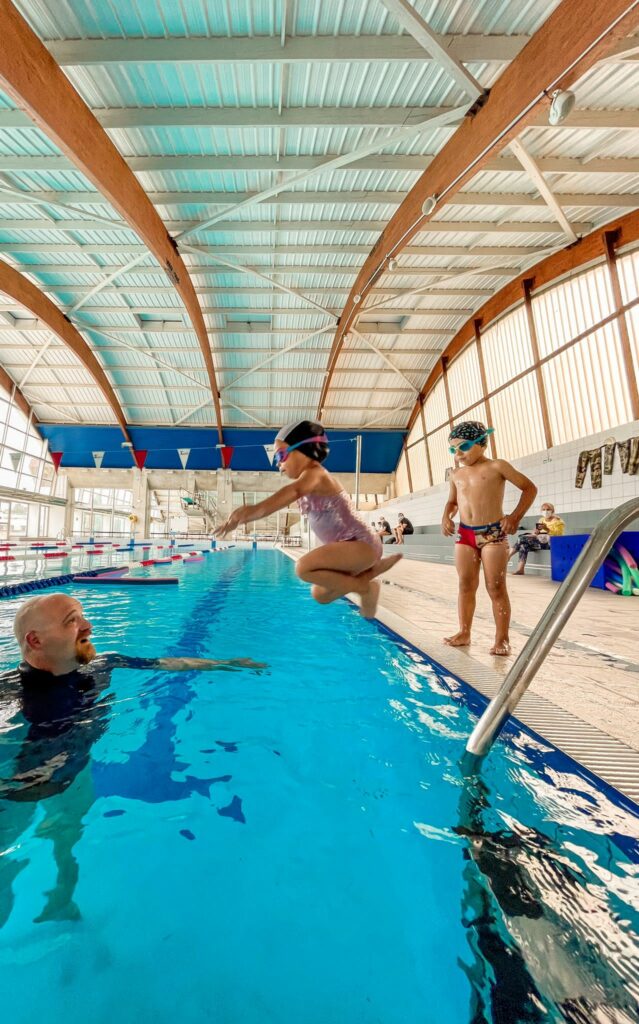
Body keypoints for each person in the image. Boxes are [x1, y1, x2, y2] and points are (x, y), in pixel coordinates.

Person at [0, 593, 265, 925]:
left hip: (77, 771)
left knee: (68, 836)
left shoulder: (104, 663)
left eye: (83, 615)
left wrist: (228, 663)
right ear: (35, 640)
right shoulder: (7, 693)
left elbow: (162, 664)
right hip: (15, 794)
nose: (88, 626)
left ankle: (63, 898)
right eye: (72, 620)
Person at [215, 420, 402, 618]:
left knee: (303, 567)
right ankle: (368, 581)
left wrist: (248, 512)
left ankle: (363, 586)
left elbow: (292, 491)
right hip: (350, 547)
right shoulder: (309, 479)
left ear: (303, 449)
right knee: (320, 593)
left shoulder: (316, 474)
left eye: (281, 455)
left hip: (361, 544)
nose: (279, 464)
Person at [441, 421, 537, 656]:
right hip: (465, 534)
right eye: (453, 449)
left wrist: (514, 517)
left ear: (482, 443)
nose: (459, 454)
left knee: (495, 587)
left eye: (463, 447)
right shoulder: (456, 473)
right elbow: (453, 501)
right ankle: (464, 632)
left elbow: (529, 488)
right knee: (465, 585)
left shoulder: (498, 466)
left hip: (492, 534)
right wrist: (446, 515)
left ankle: (502, 639)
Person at [508, 502, 565, 575]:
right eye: (543, 509)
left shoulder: (558, 521)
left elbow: (557, 535)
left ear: (552, 511)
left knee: (522, 538)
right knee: (523, 545)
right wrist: (535, 533)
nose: (546, 511)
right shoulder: (541, 520)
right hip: (540, 541)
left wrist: (546, 528)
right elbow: (536, 532)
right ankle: (520, 569)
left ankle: (508, 556)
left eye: (548, 509)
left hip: (552, 543)